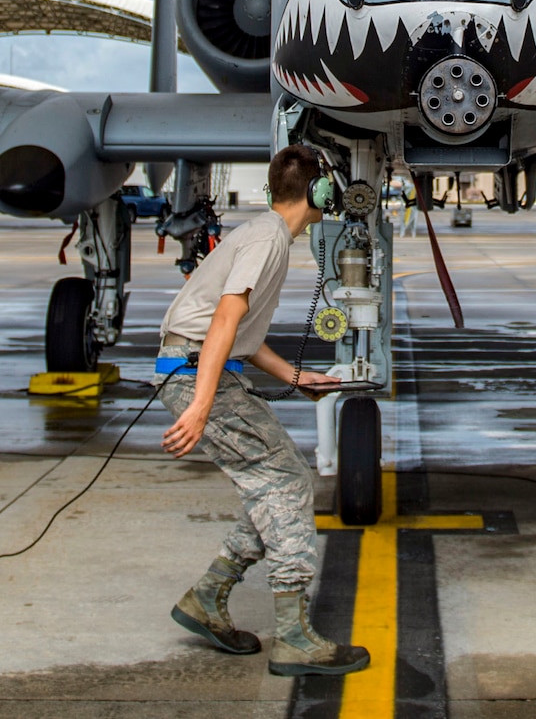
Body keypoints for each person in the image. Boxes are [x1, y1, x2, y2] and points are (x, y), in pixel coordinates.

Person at [158, 144, 370, 677]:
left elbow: (245, 340)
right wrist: (202, 406)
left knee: (275, 483)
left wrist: (297, 379)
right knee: (289, 485)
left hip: (201, 373)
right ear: (320, 192)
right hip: (195, 377)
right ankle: (294, 637)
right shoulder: (267, 241)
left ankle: (207, 597)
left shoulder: (265, 235)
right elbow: (225, 322)